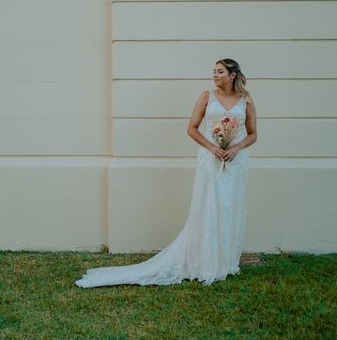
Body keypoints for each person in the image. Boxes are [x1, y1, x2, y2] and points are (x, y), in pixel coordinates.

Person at [75, 58, 257, 287]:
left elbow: (252, 134)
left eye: (220, 71)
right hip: (210, 159)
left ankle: (225, 261)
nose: (215, 75)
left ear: (232, 75)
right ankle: (204, 260)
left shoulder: (246, 100)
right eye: (214, 71)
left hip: (235, 161)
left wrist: (236, 148)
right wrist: (212, 147)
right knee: (209, 205)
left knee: (230, 206)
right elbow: (191, 128)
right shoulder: (206, 97)